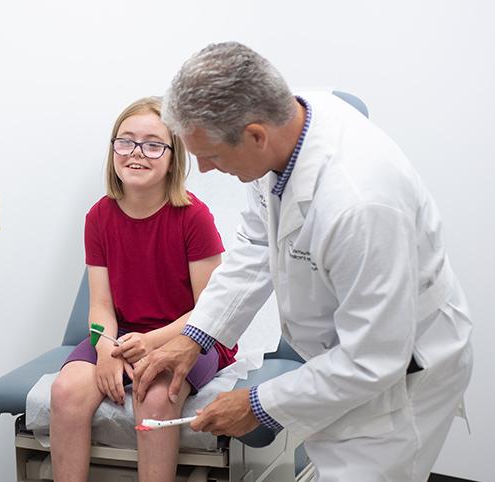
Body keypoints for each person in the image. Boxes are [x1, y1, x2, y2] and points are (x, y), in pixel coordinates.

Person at [133, 41, 473, 481]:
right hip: (342, 358)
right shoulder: (286, 121)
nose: (206, 168)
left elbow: (374, 359)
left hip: (401, 376)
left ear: (256, 135)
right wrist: (196, 336)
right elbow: (257, 243)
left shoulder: (360, 202)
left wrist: (258, 404)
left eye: (213, 155)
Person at [49, 96, 236, 482]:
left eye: (153, 144)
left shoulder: (193, 217)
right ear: (113, 149)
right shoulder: (99, 216)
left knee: (153, 396)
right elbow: (101, 305)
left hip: (189, 335)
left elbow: (210, 308)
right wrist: (105, 349)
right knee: (66, 390)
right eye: (126, 141)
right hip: (123, 333)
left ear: (173, 157)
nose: (136, 153)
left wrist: (151, 343)